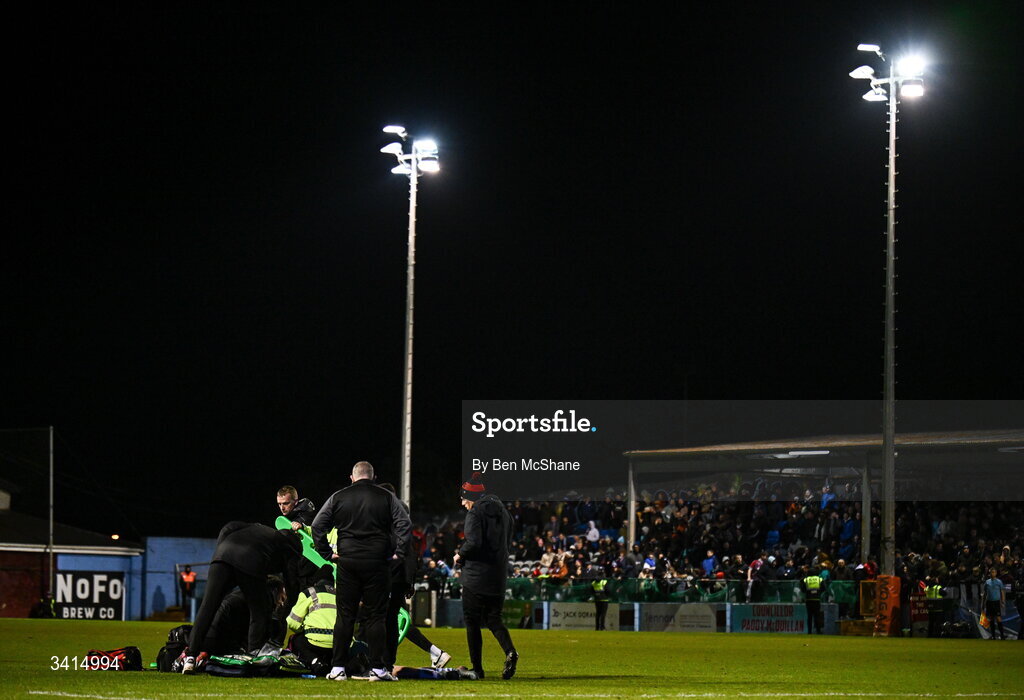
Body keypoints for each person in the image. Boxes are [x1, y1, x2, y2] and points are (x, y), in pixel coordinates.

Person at [311, 461, 411, 682]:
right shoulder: (386, 497)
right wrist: (399, 553)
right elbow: (405, 524)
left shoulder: (339, 496)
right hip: (377, 563)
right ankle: (377, 669)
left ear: (352, 477)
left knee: (345, 616)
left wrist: (327, 554)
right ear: (373, 477)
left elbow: (318, 525)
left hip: (347, 563)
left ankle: (337, 668)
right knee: (377, 616)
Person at [183, 522, 302, 674]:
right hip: (251, 560)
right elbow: (292, 582)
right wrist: (286, 610)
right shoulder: (291, 547)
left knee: (208, 606)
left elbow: (227, 527)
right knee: (260, 609)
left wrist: (219, 552)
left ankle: (191, 657)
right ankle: (253, 654)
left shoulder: (259, 528)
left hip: (222, 556)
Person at [378, 482, 452, 671]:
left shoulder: (389, 520)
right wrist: (409, 581)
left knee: (388, 619)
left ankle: (382, 663)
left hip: (391, 577)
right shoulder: (400, 518)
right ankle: (433, 652)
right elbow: (411, 554)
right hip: (400, 577)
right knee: (393, 619)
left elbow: (402, 553)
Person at [454, 474, 518, 680]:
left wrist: (460, 554)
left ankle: (477, 669)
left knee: (472, 622)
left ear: (471, 497)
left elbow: (473, 543)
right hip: (498, 576)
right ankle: (510, 651)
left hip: (476, 577)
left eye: (464, 498)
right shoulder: (505, 514)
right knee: (494, 619)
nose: (463, 503)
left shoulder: (475, 514)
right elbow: (507, 544)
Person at [983, 568, 1006, 640]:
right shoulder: (987, 582)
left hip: (996, 602)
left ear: (996, 573)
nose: (992, 574)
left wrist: (1002, 601)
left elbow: (1002, 591)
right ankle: (993, 636)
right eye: (991, 572)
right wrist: (983, 603)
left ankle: (1002, 635)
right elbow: (985, 593)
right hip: (989, 602)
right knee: (991, 619)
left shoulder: (999, 582)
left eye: (993, 572)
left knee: (999, 618)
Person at [801, 566, 825, 634]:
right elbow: (824, 588)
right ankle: (818, 630)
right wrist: (819, 592)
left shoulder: (806, 579)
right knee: (817, 616)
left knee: (809, 616)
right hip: (817, 599)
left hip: (808, 599)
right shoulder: (819, 579)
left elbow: (803, 589)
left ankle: (809, 631)